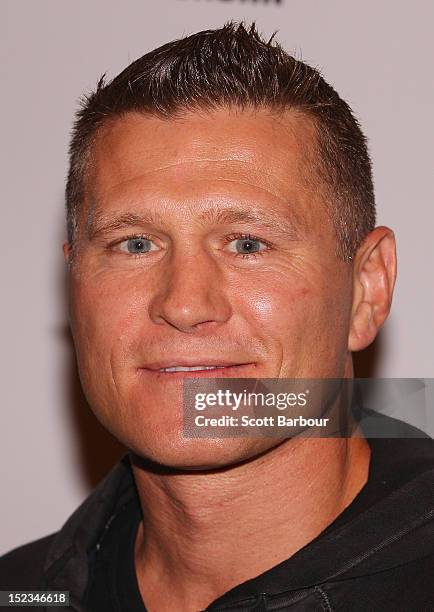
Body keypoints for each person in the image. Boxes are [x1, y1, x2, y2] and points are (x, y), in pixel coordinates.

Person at [1, 22, 433, 611]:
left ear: (366, 289)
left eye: (248, 244)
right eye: (134, 244)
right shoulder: (20, 591)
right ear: (73, 285)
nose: (183, 305)